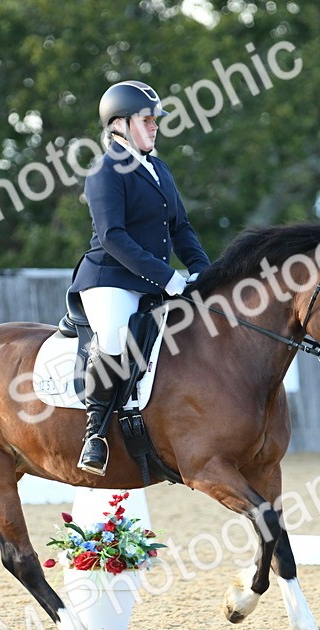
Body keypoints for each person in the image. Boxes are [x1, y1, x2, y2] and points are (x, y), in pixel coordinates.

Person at [68, 79, 211, 475]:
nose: (154, 127)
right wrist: (168, 278)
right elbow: (113, 237)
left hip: (152, 279)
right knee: (114, 338)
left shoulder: (158, 168)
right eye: (147, 120)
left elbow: (180, 227)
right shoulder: (105, 170)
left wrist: (202, 268)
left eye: (155, 121)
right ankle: (95, 434)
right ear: (120, 124)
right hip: (109, 278)